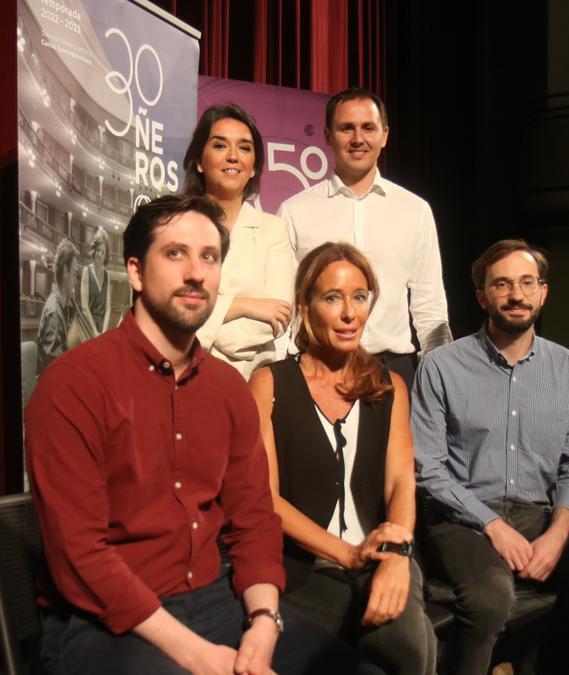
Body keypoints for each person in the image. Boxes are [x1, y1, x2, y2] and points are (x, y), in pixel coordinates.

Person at [25, 195, 381, 675]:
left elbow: (254, 520)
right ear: (135, 272)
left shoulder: (227, 388)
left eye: (209, 257)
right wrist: (198, 657)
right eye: (175, 254)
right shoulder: (72, 385)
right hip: (102, 621)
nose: (196, 273)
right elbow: (80, 557)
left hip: (216, 603)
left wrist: (262, 622)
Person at [412, 239, 569, 675]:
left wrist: (559, 530)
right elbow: (428, 469)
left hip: (538, 514)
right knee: (492, 599)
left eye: (527, 283)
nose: (516, 294)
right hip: (463, 518)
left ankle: (526, 666)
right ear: (482, 297)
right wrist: (491, 525)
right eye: (503, 284)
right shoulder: (441, 367)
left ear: (542, 293)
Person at [249, 242, 437, 675]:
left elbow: (401, 481)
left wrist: (395, 552)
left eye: (360, 296)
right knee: (410, 648)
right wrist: (348, 555)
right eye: (333, 298)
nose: (350, 313)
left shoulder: (390, 386)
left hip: (382, 555)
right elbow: (266, 501)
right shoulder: (269, 383)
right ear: (306, 305)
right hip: (304, 567)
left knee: (409, 646)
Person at [278, 88, 450, 387]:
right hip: (316, 366)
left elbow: (430, 306)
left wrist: (444, 379)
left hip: (392, 370)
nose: (358, 139)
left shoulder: (415, 210)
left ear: (384, 135)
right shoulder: (294, 211)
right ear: (328, 136)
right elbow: (286, 304)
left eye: (368, 128)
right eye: (347, 128)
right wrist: (280, 374)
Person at [185, 104, 296, 379]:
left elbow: (278, 317)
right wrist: (241, 305)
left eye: (244, 148)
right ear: (200, 161)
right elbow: (168, 310)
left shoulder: (274, 229)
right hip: (184, 372)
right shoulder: (175, 226)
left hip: (253, 379)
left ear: (254, 168)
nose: (233, 157)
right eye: (220, 146)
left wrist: (206, 320)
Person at [36, 238, 80, 372]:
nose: (75, 281)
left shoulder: (61, 305)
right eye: (74, 274)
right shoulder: (54, 313)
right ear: (65, 272)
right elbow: (56, 368)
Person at [74, 226, 113, 343]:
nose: (99, 254)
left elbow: (108, 309)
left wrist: (104, 332)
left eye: (103, 252)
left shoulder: (107, 276)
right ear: (94, 250)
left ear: (106, 254)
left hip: (102, 329)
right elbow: (85, 307)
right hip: (88, 327)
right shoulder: (87, 271)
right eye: (98, 250)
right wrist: (95, 332)